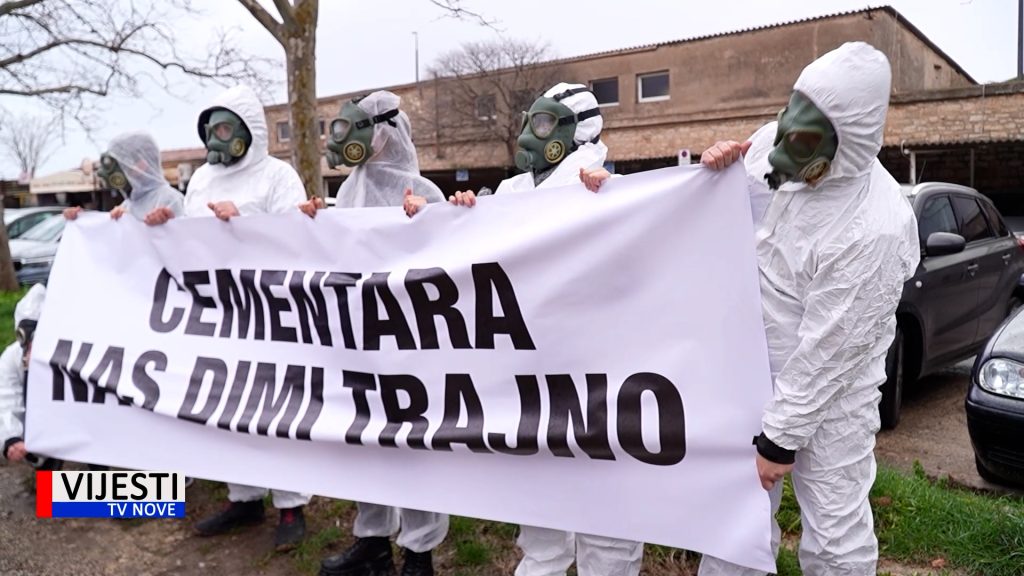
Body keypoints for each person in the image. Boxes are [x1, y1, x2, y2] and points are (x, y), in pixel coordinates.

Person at [695, 42, 920, 576]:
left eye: (802, 138)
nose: (781, 149)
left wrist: (780, 438)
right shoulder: (772, 146)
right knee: (736, 524)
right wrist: (714, 166)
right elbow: (724, 206)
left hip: (833, 402)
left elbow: (831, 352)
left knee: (836, 534)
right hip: (750, 373)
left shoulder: (875, 227)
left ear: (845, 141)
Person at [405, 82, 643, 576]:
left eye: (544, 123)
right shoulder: (511, 193)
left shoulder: (610, 188)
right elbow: (466, 252)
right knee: (541, 506)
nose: (530, 134)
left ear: (576, 131)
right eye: (529, 122)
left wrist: (619, 202)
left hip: (596, 375)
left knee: (607, 511)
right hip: (530, 377)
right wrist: (443, 216)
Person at [149, 84, 310, 551]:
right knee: (227, 406)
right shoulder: (201, 179)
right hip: (217, 315)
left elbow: (299, 238)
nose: (215, 139)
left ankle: (291, 505)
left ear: (247, 130)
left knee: (275, 408)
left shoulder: (278, 176)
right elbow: (190, 241)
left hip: (269, 314)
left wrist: (245, 221)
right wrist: (166, 226)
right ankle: (244, 497)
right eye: (209, 130)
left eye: (223, 129)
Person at [311, 90, 446, 576]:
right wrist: (311, 226)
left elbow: (453, 263)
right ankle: (372, 543)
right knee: (363, 442)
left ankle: (419, 554)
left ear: (387, 132)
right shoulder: (348, 192)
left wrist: (433, 220)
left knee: (412, 449)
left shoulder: (424, 192)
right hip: (358, 345)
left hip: (410, 347)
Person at [64, 131, 184, 223]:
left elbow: (182, 240)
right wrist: (81, 220)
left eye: (116, 164)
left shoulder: (169, 199)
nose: (103, 173)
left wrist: (166, 220)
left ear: (140, 166)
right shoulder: (127, 206)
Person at [0, 285, 59, 470]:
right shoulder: (12, 358)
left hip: (82, 434)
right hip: (44, 437)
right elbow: (5, 396)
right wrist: (11, 437)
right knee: (49, 480)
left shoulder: (76, 357)